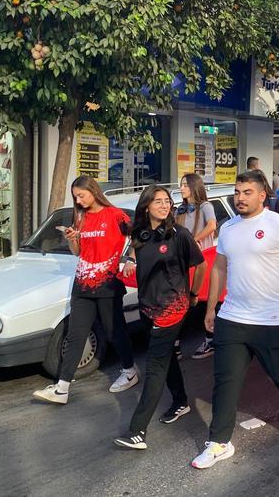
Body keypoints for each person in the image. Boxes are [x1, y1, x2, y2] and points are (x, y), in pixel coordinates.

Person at [191, 171, 279, 470]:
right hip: (233, 315)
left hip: (271, 317)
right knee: (225, 380)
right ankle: (219, 442)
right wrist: (211, 308)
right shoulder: (229, 228)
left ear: (262, 195)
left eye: (247, 192)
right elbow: (219, 268)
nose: (240, 197)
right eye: (237, 191)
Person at [114, 186, 206, 450]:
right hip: (147, 307)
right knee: (165, 357)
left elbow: (200, 265)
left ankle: (137, 431)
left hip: (172, 309)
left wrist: (193, 294)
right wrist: (129, 261)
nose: (165, 206)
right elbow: (134, 254)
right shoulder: (140, 235)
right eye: (158, 202)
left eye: (167, 201)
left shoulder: (179, 235)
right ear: (146, 206)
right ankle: (180, 401)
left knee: (154, 367)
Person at [33, 176, 138, 404]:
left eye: (81, 195)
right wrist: (72, 239)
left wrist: (132, 259)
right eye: (75, 197)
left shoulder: (115, 215)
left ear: (93, 191)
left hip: (108, 285)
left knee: (114, 332)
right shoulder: (80, 218)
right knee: (75, 335)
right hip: (82, 285)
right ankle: (62, 388)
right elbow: (78, 252)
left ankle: (129, 371)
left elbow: (139, 237)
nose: (78, 201)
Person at [175, 173, 217, 360]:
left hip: (202, 260)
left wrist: (192, 241)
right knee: (182, 302)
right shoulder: (180, 210)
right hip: (184, 262)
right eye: (181, 185)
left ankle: (210, 339)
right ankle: (175, 344)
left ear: (194, 186)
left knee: (204, 301)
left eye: (185, 185)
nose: (181, 188)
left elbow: (211, 226)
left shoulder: (206, 206)